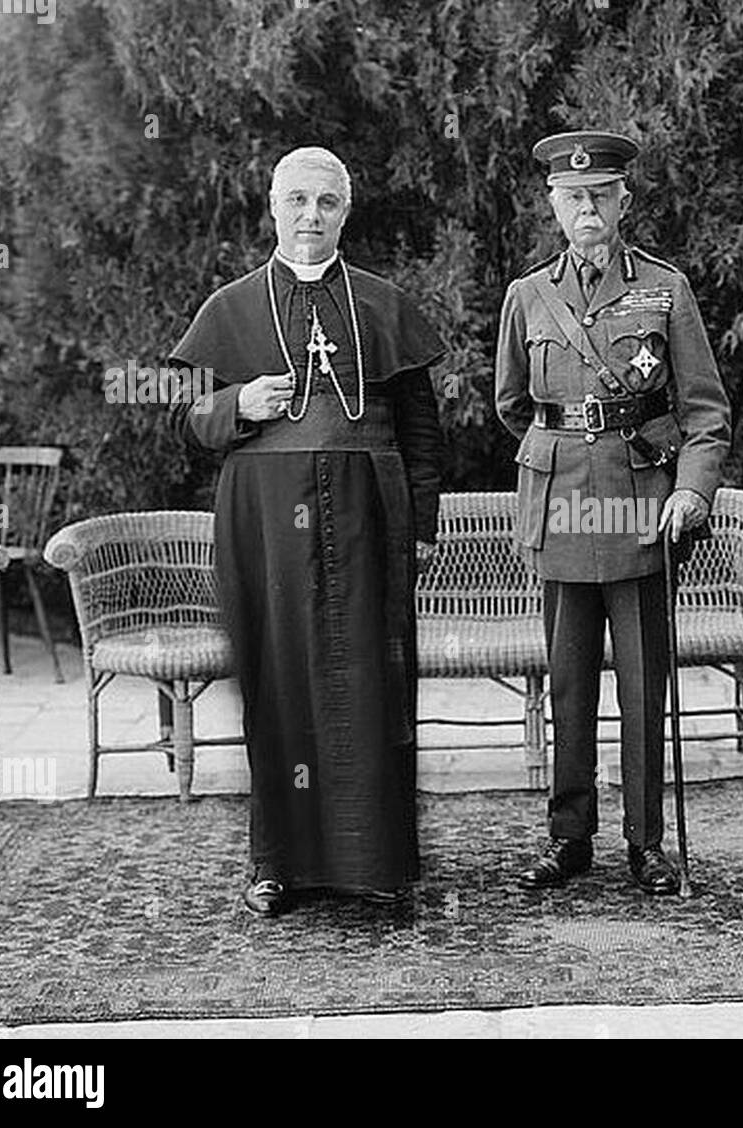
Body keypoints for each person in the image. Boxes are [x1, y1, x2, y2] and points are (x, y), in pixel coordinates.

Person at [168, 146, 445, 916]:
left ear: (346, 212)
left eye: (326, 203)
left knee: (372, 680)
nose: (310, 217)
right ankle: (277, 864)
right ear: (272, 206)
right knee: (279, 680)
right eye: (297, 201)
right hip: (265, 523)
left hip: (369, 514)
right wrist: (237, 406)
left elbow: (423, 432)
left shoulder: (386, 306)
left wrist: (420, 529)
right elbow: (183, 422)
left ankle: (379, 862)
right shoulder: (231, 306)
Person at [495, 131, 731, 894]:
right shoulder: (527, 296)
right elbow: (512, 405)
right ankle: (568, 840)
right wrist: (564, 448)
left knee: (642, 687)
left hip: (639, 511)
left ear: (624, 200)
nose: (587, 208)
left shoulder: (665, 289)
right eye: (573, 197)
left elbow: (705, 412)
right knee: (568, 685)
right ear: (554, 206)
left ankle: (645, 842)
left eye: (601, 194)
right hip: (561, 509)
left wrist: (691, 491)